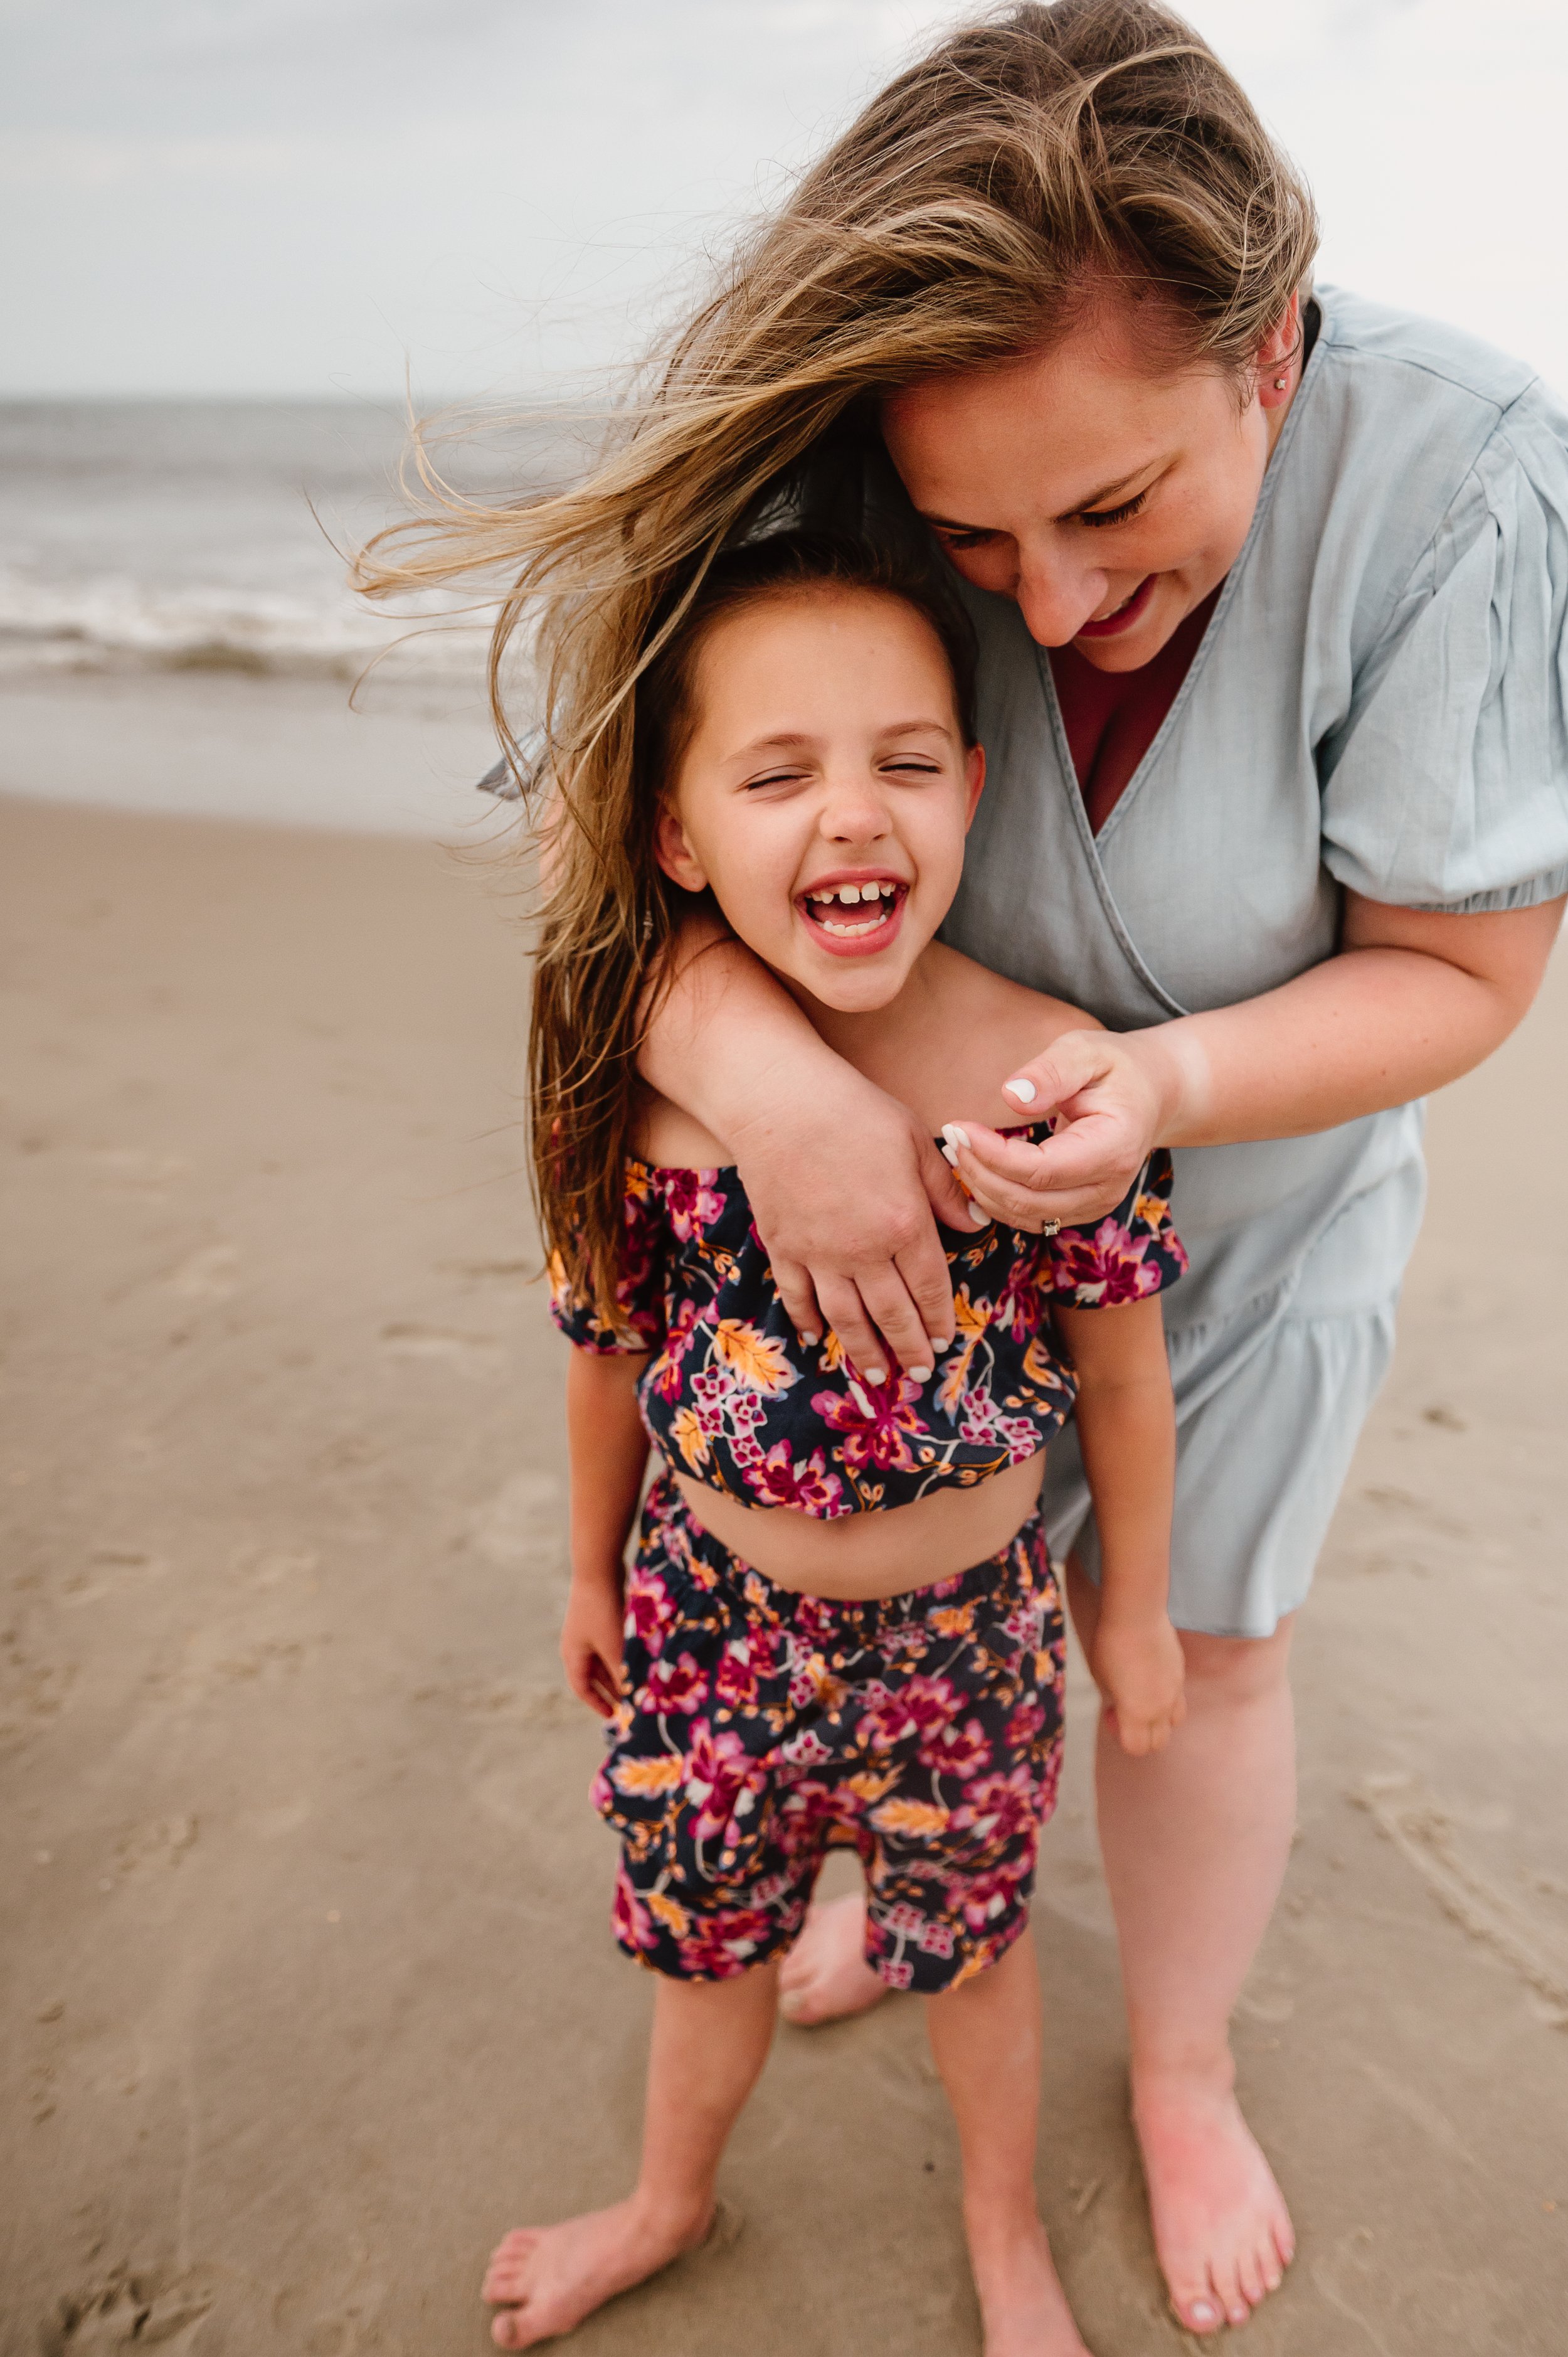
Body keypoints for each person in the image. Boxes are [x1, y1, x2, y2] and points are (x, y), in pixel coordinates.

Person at [358, 5, 1568, 2332]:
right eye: (965, 534)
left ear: (1268, 360)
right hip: (847, 1228)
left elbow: (1462, 973)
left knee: (1194, 1645)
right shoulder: (832, 454)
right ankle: (854, 1886)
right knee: (915, 1647)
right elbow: (615, 868)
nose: (1038, 602)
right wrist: (785, 1095)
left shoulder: (1475, 486)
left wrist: (1160, 1090)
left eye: (1111, 511)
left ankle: (1183, 2067)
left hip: (1248, 1177)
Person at [480, 533, 1188, 2353]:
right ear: (676, 836)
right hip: (713, 1626)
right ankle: (662, 2201)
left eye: (903, 759)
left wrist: (1132, 1616)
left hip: (970, 1646)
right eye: (778, 773)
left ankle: (1006, 2240)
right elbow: (606, 1353)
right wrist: (584, 1568)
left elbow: (1120, 1375)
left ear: (975, 783)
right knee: (705, 1960)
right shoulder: (646, 1099)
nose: (852, 813)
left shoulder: (1047, 1081)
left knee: (974, 1957)